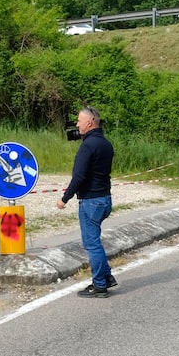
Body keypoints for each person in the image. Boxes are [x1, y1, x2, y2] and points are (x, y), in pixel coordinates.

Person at [57, 106, 117, 297]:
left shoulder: (88, 146)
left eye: (79, 121)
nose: (77, 124)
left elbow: (79, 176)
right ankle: (107, 277)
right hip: (104, 199)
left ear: (89, 123)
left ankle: (99, 285)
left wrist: (64, 198)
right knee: (95, 242)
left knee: (91, 244)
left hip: (91, 201)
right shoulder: (106, 144)